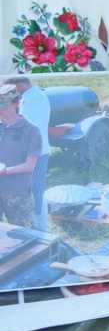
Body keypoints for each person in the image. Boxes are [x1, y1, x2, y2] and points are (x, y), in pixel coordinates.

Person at [6, 76, 50, 231]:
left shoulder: (31, 101)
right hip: (39, 150)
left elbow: (24, 130)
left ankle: (38, 227)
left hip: (33, 153)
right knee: (36, 188)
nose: (12, 93)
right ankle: (38, 223)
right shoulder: (36, 96)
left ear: (20, 85)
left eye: (12, 89)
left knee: (33, 190)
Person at [0, 84, 41, 228]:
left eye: (3, 105)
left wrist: (4, 171)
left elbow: (30, 166)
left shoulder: (31, 131)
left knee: (24, 234)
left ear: (16, 103)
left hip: (17, 193)